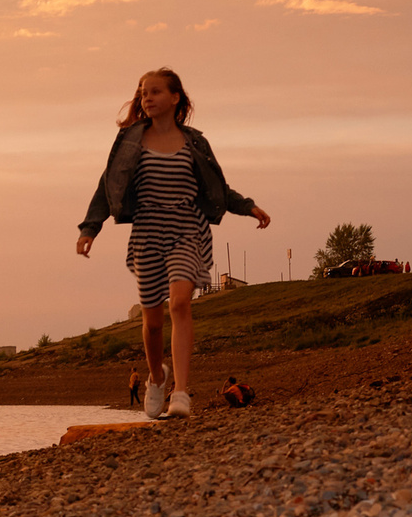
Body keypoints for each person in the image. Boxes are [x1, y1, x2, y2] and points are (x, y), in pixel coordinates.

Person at [77, 68, 270, 417]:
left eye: (155, 92)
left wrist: (248, 206)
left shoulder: (194, 142)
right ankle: (156, 377)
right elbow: (108, 185)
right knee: (152, 322)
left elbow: (216, 187)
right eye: (143, 93)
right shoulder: (130, 142)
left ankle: (181, 393)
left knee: (180, 304)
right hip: (147, 232)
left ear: (175, 97)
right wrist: (90, 228)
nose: (147, 98)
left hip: (187, 228)